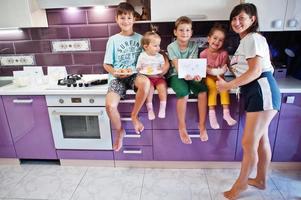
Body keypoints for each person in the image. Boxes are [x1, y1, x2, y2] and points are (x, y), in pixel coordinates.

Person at [216, 3, 281, 199]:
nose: (236, 22)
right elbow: (244, 71)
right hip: (256, 91)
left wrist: (227, 86)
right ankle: (260, 180)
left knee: (248, 142)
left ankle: (240, 185)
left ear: (252, 20)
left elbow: (255, 71)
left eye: (241, 18)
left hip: (262, 90)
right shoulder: (245, 41)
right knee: (261, 140)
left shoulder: (253, 38)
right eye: (234, 19)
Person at [103, 2, 150, 151]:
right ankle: (119, 131)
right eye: (122, 17)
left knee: (146, 83)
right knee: (110, 106)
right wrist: (115, 72)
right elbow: (107, 65)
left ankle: (134, 116)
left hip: (134, 75)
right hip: (117, 76)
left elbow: (149, 57)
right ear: (117, 19)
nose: (126, 21)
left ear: (134, 19)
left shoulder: (141, 39)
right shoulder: (113, 40)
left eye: (129, 17)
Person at [167, 16, 208, 144]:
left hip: (190, 75)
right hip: (175, 75)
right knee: (184, 94)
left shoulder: (194, 45)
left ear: (191, 32)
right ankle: (182, 126)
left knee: (202, 91)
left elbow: (193, 63)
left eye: (187, 30)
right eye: (181, 30)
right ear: (175, 32)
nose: (184, 33)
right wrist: (186, 74)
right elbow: (177, 65)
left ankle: (202, 125)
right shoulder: (171, 47)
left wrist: (197, 75)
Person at [200, 24, 237, 129]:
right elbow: (205, 69)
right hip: (209, 77)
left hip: (220, 77)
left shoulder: (224, 54)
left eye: (220, 40)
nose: (217, 42)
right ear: (209, 38)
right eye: (215, 38)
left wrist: (223, 70)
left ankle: (226, 114)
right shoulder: (203, 54)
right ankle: (212, 116)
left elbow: (223, 67)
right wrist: (213, 71)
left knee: (224, 88)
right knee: (212, 89)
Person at [136, 31, 169, 120]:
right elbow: (138, 66)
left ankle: (163, 107)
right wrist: (139, 69)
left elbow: (163, 66)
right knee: (149, 90)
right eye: (155, 46)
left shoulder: (159, 56)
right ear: (146, 47)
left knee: (162, 88)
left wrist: (162, 69)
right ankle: (150, 109)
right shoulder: (142, 56)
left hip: (158, 77)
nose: (158, 48)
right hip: (147, 78)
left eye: (158, 45)